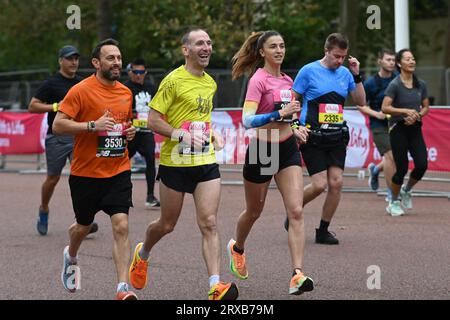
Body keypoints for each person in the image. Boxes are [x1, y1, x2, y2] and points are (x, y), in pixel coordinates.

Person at [128, 28, 238, 300]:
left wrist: (211, 134)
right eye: (200, 43)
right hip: (175, 162)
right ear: (185, 50)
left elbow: (201, 117)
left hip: (204, 162)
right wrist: (182, 135)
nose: (207, 47)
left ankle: (215, 285)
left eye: (210, 43)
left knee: (209, 222)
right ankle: (142, 254)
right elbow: (153, 120)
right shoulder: (172, 81)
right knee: (166, 224)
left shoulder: (211, 83)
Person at [227, 30, 313, 296]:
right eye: (273, 46)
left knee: (296, 211)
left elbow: (289, 116)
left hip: (287, 149)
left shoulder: (288, 81)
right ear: (262, 52)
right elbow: (247, 120)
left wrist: (295, 126)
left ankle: (297, 274)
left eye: (282, 46)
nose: (279, 50)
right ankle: (237, 247)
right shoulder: (258, 80)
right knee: (254, 211)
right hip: (263, 151)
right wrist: (279, 113)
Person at [53, 38, 138, 300]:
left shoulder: (125, 92)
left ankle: (122, 288)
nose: (117, 63)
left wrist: (129, 132)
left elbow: (121, 125)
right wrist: (92, 126)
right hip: (86, 173)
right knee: (82, 225)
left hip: (118, 169)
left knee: (121, 225)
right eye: (111, 58)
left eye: (119, 58)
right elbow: (58, 125)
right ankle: (72, 255)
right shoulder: (80, 90)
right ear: (96, 63)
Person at [284, 33, 366, 245]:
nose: (340, 61)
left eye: (343, 57)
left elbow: (360, 101)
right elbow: (293, 100)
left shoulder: (346, 73)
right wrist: (295, 125)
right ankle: (294, 211)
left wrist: (357, 75)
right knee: (319, 185)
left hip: (336, 135)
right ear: (326, 51)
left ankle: (323, 230)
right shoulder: (308, 71)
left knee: (336, 183)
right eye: (336, 56)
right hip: (312, 135)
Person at [28, 45, 98, 236]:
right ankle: (43, 208)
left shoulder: (81, 83)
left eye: (76, 58)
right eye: (69, 59)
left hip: (78, 136)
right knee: (53, 178)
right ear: (60, 61)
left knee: (82, 177)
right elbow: (32, 106)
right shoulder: (51, 83)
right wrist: (55, 107)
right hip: (57, 137)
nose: (74, 62)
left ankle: (84, 220)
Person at [381, 49, 429, 216]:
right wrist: (405, 112)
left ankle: (407, 190)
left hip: (415, 128)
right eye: (408, 59)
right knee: (401, 169)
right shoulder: (395, 84)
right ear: (400, 64)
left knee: (422, 165)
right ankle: (393, 202)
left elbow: (426, 107)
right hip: (398, 129)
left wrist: (416, 115)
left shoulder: (420, 84)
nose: (412, 62)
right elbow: (385, 107)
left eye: (413, 58)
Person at [357, 48, 397, 202]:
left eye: (393, 60)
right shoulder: (371, 83)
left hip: (396, 124)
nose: (391, 63)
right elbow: (360, 104)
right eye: (388, 59)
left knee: (396, 159)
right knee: (390, 156)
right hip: (378, 125)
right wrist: (376, 114)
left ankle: (375, 170)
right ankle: (392, 193)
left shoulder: (398, 79)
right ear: (380, 61)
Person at [124, 58, 160, 209]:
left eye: (142, 72)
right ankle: (124, 195)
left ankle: (150, 196)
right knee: (123, 162)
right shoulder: (124, 88)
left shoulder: (151, 87)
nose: (139, 75)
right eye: (136, 72)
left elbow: (158, 106)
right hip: (131, 132)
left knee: (151, 160)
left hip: (146, 132)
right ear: (130, 72)